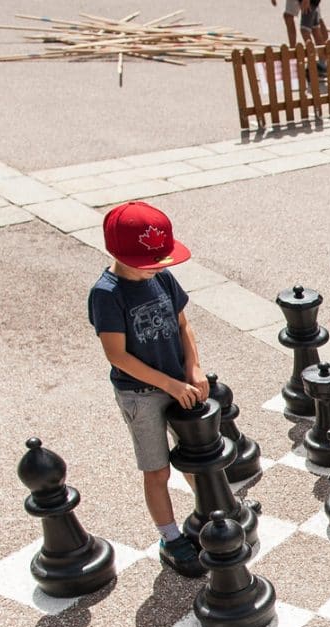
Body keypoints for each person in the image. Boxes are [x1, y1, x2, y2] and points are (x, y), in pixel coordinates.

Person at [88, 200, 209, 578]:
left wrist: (194, 367)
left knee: (197, 458)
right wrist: (170, 384)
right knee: (157, 470)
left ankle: (209, 513)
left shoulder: (161, 277)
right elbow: (118, 356)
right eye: (153, 260)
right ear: (120, 255)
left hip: (179, 382)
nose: (162, 266)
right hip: (142, 395)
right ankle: (170, 538)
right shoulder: (107, 294)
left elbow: (183, 324)